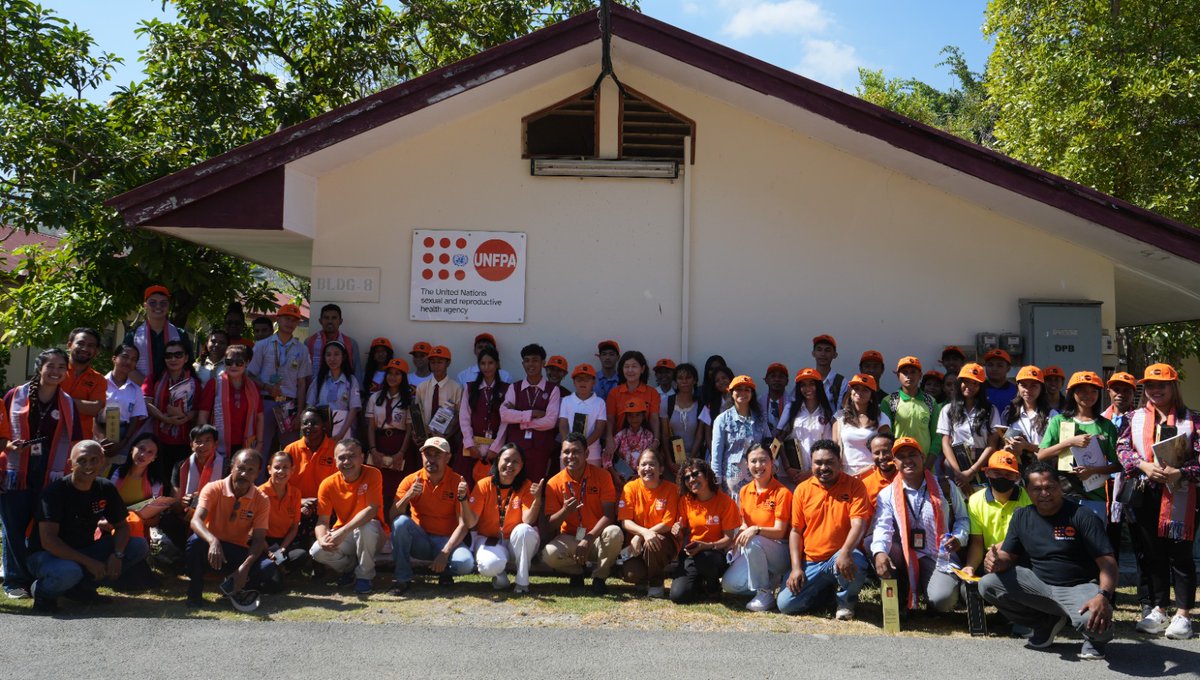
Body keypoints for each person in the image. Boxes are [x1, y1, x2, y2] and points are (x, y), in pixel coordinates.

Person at [978, 462, 1116, 659]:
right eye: (1037, 489)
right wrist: (995, 561)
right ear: (1027, 490)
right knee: (988, 584)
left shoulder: (1082, 516)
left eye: (1049, 487)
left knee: (1093, 623)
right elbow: (1009, 557)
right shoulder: (1022, 516)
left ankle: (1095, 640)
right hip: (1040, 585)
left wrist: (1103, 596)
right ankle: (1045, 623)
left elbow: (1108, 563)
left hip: (1078, 586)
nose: (1044, 493)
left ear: (1059, 486)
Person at [1116, 363, 1198, 640]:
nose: (1155, 390)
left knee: (1181, 555)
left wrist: (1181, 471)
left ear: (1173, 386)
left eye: (1162, 384)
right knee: (1154, 555)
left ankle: (1184, 614)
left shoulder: (1193, 420)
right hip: (1146, 493)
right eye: (1150, 385)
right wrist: (1142, 465)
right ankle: (1160, 608)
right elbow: (1123, 448)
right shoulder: (1134, 417)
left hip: (1182, 495)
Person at [26, 441, 149, 613]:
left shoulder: (105, 487)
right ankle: (42, 593)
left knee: (138, 546)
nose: (88, 465)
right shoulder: (55, 492)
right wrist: (89, 562)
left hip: (85, 550)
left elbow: (122, 526)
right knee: (70, 571)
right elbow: (49, 541)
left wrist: (117, 554)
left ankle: (82, 590)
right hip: (47, 555)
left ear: (103, 461)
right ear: (70, 464)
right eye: (82, 460)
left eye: (94, 460)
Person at [1, 348, 85, 599]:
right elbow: (2, 433)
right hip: (15, 471)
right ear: (40, 368)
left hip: (51, 472)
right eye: (51, 366)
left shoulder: (68, 402)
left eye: (62, 367)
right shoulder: (14, 395)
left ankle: (35, 573)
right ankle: (14, 581)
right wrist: (8, 445)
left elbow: (76, 439)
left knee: (41, 529)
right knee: (13, 527)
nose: (57, 372)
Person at [870, 437, 969, 614]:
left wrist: (959, 537)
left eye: (912, 455)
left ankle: (929, 590)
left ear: (922, 458)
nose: (908, 460)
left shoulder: (945, 486)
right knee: (879, 546)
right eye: (901, 456)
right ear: (895, 462)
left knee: (943, 601)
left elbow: (963, 518)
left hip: (938, 555)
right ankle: (900, 602)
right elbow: (882, 527)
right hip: (906, 555)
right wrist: (879, 552)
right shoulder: (887, 494)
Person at [776, 439, 871, 619]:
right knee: (785, 605)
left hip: (840, 555)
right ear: (811, 464)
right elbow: (796, 531)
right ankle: (826, 594)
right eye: (818, 463)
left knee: (855, 562)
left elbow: (858, 524)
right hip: (811, 561)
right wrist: (796, 568)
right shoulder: (802, 490)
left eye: (829, 462)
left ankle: (845, 603)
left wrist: (845, 551)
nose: (823, 467)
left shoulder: (855, 486)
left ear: (840, 463)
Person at [185, 449, 274, 611]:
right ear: (231, 467)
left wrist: (244, 567)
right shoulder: (213, 488)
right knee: (195, 542)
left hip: (237, 551)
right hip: (211, 548)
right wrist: (212, 541)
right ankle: (194, 591)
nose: (244, 474)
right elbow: (196, 520)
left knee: (267, 567)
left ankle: (235, 586)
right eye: (240, 468)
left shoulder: (262, 500)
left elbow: (259, 540)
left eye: (250, 470)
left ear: (258, 474)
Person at [389, 437, 474, 595]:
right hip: (420, 540)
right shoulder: (410, 480)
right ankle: (402, 579)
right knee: (400, 523)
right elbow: (392, 517)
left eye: (437, 455)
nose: (431, 459)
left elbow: (464, 525)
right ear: (422, 456)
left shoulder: (457, 482)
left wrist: (445, 553)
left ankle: (445, 572)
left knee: (465, 564)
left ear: (448, 458)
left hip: (446, 540)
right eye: (427, 454)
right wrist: (408, 496)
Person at [542, 433, 623, 595]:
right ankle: (577, 572)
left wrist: (588, 538)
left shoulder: (603, 476)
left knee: (615, 533)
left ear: (586, 454)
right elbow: (550, 525)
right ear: (561, 454)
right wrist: (565, 511)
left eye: (576, 451)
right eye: (566, 452)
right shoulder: (554, 483)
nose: (570, 456)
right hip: (571, 539)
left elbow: (609, 515)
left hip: (596, 538)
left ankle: (599, 577)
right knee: (549, 554)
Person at [461, 442, 543, 593]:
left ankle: (522, 583)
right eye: (506, 460)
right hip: (489, 540)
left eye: (515, 461)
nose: (510, 465)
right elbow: (471, 522)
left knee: (525, 530)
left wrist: (537, 500)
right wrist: (463, 500)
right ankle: (500, 578)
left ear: (522, 465)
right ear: (498, 460)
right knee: (488, 566)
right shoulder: (483, 485)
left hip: (515, 542)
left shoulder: (526, 485)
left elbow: (528, 520)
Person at [1037, 372, 1121, 520]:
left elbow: (1118, 465)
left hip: (1095, 495)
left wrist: (1092, 471)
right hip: (1064, 494)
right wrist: (1070, 442)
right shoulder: (1059, 421)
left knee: (1093, 541)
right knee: (1065, 541)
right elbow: (1041, 455)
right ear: (1072, 393)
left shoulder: (1106, 425)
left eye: (1093, 391)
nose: (1088, 395)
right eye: (1082, 390)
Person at [723, 444, 792, 611]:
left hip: (780, 552)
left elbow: (780, 531)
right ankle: (769, 580)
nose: (758, 465)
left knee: (753, 540)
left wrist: (755, 529)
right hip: (756, 549)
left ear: (772, 462)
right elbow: (744, 522)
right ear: (747, 464)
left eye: (763, 460)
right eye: (753, 461)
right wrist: (740, 536)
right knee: (729, 585)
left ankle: (765, 593)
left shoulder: (782, 492)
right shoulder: (745, 491)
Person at [311, 439, 385, 594]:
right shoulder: (327, 483)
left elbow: (371, 510)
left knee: (366, 527)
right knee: (317, 551)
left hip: (373, 532)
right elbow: (322, 520)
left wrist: (343, 531)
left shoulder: (373, 474)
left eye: (352, 456)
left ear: (362, 457)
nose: (347, 462)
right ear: (335, 460)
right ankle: (350, 569)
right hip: (345, 532)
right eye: (341, 457)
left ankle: (365, 576)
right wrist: (322, 539)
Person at [671, 458, 739, 604]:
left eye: (696, 474)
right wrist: (677, 531)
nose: (691, 479)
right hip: (693, 554)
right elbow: (682, 533)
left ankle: (714, 587)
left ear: (707, 475)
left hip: (715, 554)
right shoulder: (686, 501)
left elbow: (728, 539)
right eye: (687, 477)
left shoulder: (726, 502)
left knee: (706, 557)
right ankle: (700, 584)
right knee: (678, 596)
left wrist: (706, 546)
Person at [247, 303, 310, 455]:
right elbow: (249, 374)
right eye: (286, 319)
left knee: (292, 450)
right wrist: (266, 387)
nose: (290, 323)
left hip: (289, 406)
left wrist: (300, 412)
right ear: (278, 319)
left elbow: (302, 383)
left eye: (294, 320)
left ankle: (292, 479)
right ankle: (260, 479)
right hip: (265, 402)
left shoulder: (301, 349)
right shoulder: (262, 345)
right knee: (261, 447)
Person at [618, 448, 679, 598]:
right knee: (631, 575)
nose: (647, 468)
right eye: (643, 464)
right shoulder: (630, 488)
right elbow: (625, 521)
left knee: (651, 542)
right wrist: (643, 533)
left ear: (661, 469)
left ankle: (656, 583)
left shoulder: (671, 490)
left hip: (663, 541)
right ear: (637, 469)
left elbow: (668, 523)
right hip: (636, 545)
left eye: (652, 464)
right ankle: (644, 578)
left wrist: (642, 535)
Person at [961, 450, 1030, 578]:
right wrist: (970, 566)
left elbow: (1029, 536)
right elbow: (977, 542)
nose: (1002, 478)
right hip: (990, 560)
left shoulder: (1029, 498)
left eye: (1008, 474)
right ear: (986, 472)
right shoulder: (975, 500)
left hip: (1021, 557)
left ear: (1017, 477)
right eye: (997, 473)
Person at [937, 363, 1001, 494]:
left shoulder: (990, 410)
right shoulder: (948, 409)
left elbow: (992, 444)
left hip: (982, 462)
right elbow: (946, 442)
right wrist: (958, 472)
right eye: (966, 382)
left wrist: (972, 471)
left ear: (981, 387)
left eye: (975, 383)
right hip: (956, 461)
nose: (969, 387)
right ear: (959, 383)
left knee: (982, 501)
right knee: (958, 504)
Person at [500, 344, 560, 482]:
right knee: (513, 486)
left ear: (543, 363)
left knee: (535, 488)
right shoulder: (514, 388)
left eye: (535, 360)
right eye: (527, 360)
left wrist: (521, 422)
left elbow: (550, 421)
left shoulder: (552, 390)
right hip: (515, 447)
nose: (530, 364)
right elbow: (504, 414)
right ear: (522, 363)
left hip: (541, 449)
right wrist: (532, 413)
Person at [162, 425, 226, 553]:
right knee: (168, 519)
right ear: (191, 445)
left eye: (208, 440)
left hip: (216, 516)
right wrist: (182, 503)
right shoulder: (181, 466)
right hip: (186, 514)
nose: (202, 445)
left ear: (215, 444)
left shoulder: (226, 466)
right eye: (198, 441)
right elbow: (174, 503)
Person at [144, 339, 200, 481]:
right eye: (168, 356)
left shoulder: (194, 382)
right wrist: (166, 419)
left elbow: (199, 410)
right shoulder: (154, 377)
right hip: (157, 438)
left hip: (184, 440)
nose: (173, 359)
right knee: (157, 479)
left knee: (177, 481)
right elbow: (146, 403)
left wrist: (185, 417)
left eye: (178, 355)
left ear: (186, 357)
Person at [196, 345, 264, 458]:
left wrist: (260, 444)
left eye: (239, 362)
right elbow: (203, 416)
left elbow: (259, 417)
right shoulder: (214, 384)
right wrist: (204, 442)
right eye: (229, 362)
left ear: (247, 363)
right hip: (217, 445)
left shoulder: (254, 387)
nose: (233, 366)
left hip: (246, 445)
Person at [710, 375, 769, 496]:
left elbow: (769, 443)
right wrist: (717, 481)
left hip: (757, 476)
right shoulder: (722, 419)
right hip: (731, 481)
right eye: (739, 389)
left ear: (752, 394)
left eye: (747, 390)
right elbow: (716, 453)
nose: (743, 393)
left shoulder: (760, 418)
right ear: (731, 393)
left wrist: (773, 467)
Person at [124, 285, 192, 387]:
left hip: (173, 392)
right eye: (153, 303)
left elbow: (188, 365)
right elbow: (126, 367)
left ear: (168, 307)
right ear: (145, 305)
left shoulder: (180, 334)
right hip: (140, 393)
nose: (158, 306)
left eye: (163, 303)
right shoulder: (133, 336)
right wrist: (152, 389)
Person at [110, 433, 175, 540]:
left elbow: (155, 520)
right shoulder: (113, 472)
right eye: (141, 449)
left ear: (155, 458)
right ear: (132, 449)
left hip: (136, 535)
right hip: (107, 527)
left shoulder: (156, 484)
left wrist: (134, 519)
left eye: (150, 452)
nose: (143, 454)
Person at [365, 358, 412, 500]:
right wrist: (373, 450)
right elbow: (371, 427)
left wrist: (401, 452)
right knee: (378, 484)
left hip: (399, 444)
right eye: (390, 373)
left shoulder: (408, 399)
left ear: (403, 378)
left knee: (397, 486)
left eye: (397, 374)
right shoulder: (375, 397)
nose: (393, 377)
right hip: (379, 443)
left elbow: (410, 429)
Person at [458, 347, 508, 482]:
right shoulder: (470, 388)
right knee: (466, 484)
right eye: (483, 363)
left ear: (497, 364)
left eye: (490, 363)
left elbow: (505, 421)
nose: (487, 367)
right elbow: (464, 418)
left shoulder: (507, 389)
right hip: (472, 448)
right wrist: (469, 444)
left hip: (495, 449)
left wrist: (496, 448)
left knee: (492, 486)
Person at [833, 374, 891, 479]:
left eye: (865, 390)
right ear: (850, 392)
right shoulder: (839, 417)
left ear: (871, 395)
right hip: (845, 475)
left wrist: (866, 472)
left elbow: (887, 449)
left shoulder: (881, 418)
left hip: (873, 473)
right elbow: (835, 448)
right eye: (856, 388)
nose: (859, 393)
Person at [284, 408, 338, 520]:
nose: (309, 426)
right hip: (294, 506)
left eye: (314, 423)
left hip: (327, 507)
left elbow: (340, 484)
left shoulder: (335, 450)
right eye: (305, 423)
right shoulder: (290, 450)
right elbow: (280, 484)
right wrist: (300, 502)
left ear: (323, 425)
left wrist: (320, 503)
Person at [99, 344, 149, 464]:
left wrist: (123, 442)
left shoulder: (136, 390)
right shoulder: (99, 383)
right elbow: (92, 413)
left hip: (123, 437)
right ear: (114, 358)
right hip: (98, 433)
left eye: (133, 359)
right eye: (125, 357)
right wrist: (100, 437)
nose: (128, 362)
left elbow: (134, 419)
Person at [784, 367, 834, 485]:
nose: (808, 389)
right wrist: (788, 469)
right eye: (803, 385)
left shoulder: (826, 412)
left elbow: (828, 446)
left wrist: (811, 472)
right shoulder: (790, 409)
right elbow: (780, 440)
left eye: (812, 384)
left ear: (819, 386)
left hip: (819, 474)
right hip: (793, 475)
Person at [881, 356, 938, 460]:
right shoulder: (888, 401)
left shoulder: (931, 402)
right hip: (899, 463)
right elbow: (886, 437)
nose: (909, 376)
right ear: (898, 375)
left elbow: (937, 437)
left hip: (925, 464)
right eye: (905, 372)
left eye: (913, 372)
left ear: (920, 375)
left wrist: (929, 463)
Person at [999, 365, 1055, 469]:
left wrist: (1026, 446)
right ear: (1018, 387)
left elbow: (1055, 450)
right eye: (1023, 385)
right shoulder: (1008, 413)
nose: (1028, 390)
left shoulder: (1052, 415)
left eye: (1033, 386)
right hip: (1015, 468)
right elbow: (1001, 444)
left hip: (1044, 470)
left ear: (1041, 388)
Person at [306, 340, 363, 440]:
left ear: (343, 357)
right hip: (321, 432)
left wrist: (341, 434)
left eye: (336, 354)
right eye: (328, 355)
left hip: (344, 432)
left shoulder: (351, 380)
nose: (332, 359)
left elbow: (353, 409)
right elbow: (310, 406)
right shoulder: (319, 380)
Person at [259, 451, 306, 572]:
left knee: (301, 555)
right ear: (269, 469)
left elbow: (294, 527)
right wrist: (269, 551)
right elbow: (254, 529)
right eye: (277, 467)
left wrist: (282, 549)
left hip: (283, 542)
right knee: (274, 583)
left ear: (292, 470)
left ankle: (280, 566)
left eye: (285, 468)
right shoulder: (260, 493)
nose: (281, 471)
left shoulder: (296, 493)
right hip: (262, 542)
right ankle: (276, 568)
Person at [659, 363, 709, 474]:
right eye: (680, 378)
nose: (684, 381)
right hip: (672, 461)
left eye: (688, 378)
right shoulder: (666, 403)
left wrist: (690, 460)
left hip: (695, 461)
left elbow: (700, 435)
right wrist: (670, 462)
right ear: (675, 382)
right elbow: (664, 435)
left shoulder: (701, 405)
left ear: (695, 380)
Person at [413, 345, 463, 454]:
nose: (436, 366)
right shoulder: (422, 387)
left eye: (440, 362)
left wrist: (446, 437)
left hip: (447, 439)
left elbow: (460, 416)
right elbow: (416, 414)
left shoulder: (456, 388)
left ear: (448, 363)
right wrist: (417, 435)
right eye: (433, 362)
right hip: (425, 439)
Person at [605, 350, 662, 442]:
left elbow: (654, 419)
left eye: (634, 366)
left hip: (645, 443)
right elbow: (610, 419)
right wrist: (609, 439)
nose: (630, 370)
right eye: (626, 366)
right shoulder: (614, 393)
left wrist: (656, 440)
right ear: (622, 369)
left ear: (642, 369)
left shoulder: (652, 393)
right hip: (620, 443)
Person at [559, 363, 608, 467]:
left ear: (594, 382)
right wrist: (568, 445)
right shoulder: (566, 401)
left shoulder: (600, 403)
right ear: (574, 382)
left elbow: (599, 429)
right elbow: (563, 425)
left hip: (593, 453)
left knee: (592, 482)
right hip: (569, 453)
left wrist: (582, 446)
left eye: (587, 379)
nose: (582, 382)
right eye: (579, 379)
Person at [61, 328, 107, 440]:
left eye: (91, 345)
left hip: (79, 440)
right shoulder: (55, 370)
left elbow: (95, 408)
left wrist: (57, 400)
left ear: (96, 351)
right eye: (80, 343)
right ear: (69, 345)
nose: (85, 348)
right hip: (50, 436)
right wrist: (82, 404)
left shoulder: (99, 379)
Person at [304, 304, 360, 380]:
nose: (330, 321)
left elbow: (357, 371)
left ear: (340, 321)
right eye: (326, 318)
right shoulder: (309, 342)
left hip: (343, 389)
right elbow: (303, 371)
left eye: (334, 318)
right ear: (320, 321)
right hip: (313, 389)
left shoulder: (351, 343)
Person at [608, 398, 654, 484]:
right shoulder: (620, 435)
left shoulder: (649, 436)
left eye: (637, 415)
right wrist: (614, 474)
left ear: (643, 416)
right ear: (626, 417)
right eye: (630, 416)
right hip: (622, 480)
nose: (634, 419)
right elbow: (606, 456)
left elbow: (652, 460)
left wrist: (641, 475)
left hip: (643, 480)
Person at [860, 432, 898, 506]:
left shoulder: (908, 477)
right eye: (877, 453)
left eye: (886, 451)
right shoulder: (866, 485)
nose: (881, 457)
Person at [811, 335, 846, 406]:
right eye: (819, 349)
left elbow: (842, 412)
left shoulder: (841, 382)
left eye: (827, 350)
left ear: (835, 355)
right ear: (813, 353)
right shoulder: (805, 378)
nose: (823, 354)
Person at [759, 362, 792, 436]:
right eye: (773, 376)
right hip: (763, 444)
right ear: (766, 380)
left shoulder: (793, 403)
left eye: (781, 376)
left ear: (787, 381)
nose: (777, 379)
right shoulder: (758, 402)